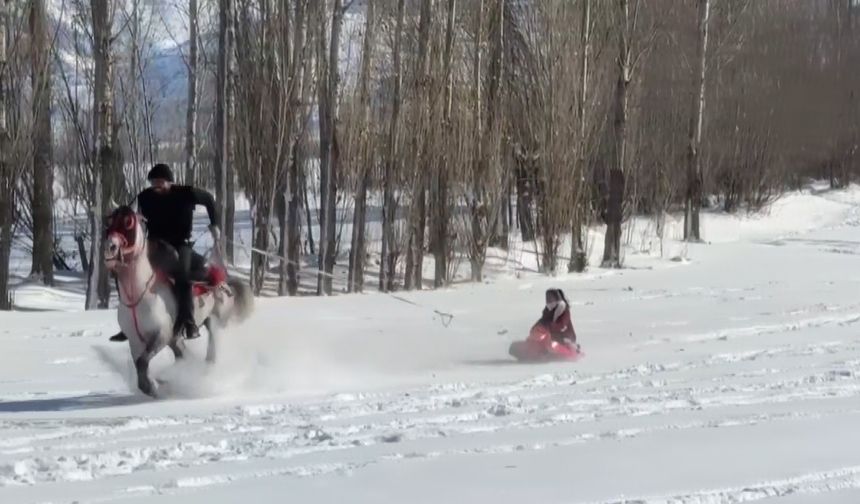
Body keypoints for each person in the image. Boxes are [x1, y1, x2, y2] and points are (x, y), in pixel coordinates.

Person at [109, 163, 220, 342]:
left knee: (182, 275)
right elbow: (128, 213)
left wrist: (214, 224)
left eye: (160, 182)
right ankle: (128, 325)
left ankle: (188, 321)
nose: (156, 186)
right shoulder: (145, 196)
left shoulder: (186, 193)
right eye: (153, 182)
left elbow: (209, 199)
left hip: (180, 245)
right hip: (155, 245)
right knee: (128, 272)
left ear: (169, 181)